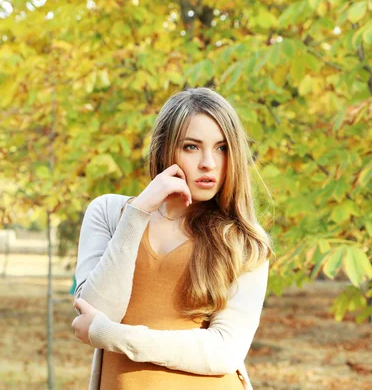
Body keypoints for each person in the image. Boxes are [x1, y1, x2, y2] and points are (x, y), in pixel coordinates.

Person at [71, 87, 273, 390]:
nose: (209, 163)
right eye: (192, 147)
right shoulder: (111, 213)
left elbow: (225, 351)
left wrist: (114, 336)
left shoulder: (244, 241)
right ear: (165, 149)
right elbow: (96, 312)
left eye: (222, 148)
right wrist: (139, 211)